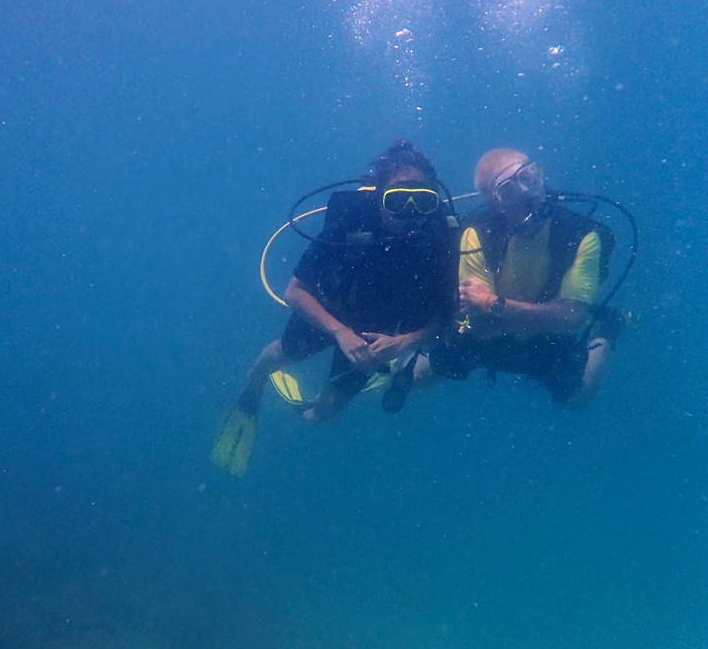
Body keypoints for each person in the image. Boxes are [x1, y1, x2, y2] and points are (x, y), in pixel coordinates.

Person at [211, 141, 459, 477]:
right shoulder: (350, 217)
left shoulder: (442, 234)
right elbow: (295, 291)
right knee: (277, 357)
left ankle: (301, 406)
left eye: (424, 200)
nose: (411, 213)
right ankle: (252, 389)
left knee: (322, 416)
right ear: (378, 195)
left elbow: (446, 320)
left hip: (380, 333)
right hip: (331, 308)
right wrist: (339, 331)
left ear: (435, 199)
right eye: (398, 199)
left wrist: (405, 342)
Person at [426, 148, 621, 405]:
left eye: (528, 177)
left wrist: (493, 305)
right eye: (508, 188)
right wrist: (545, 316)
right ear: (494, 201)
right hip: (515, 332)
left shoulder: (582, 234)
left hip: (546, 341)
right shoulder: (476, 232)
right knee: (420, 373)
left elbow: (571, 319)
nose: (526, 191)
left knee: (578, 398)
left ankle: (607, 329)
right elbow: (481, 326)